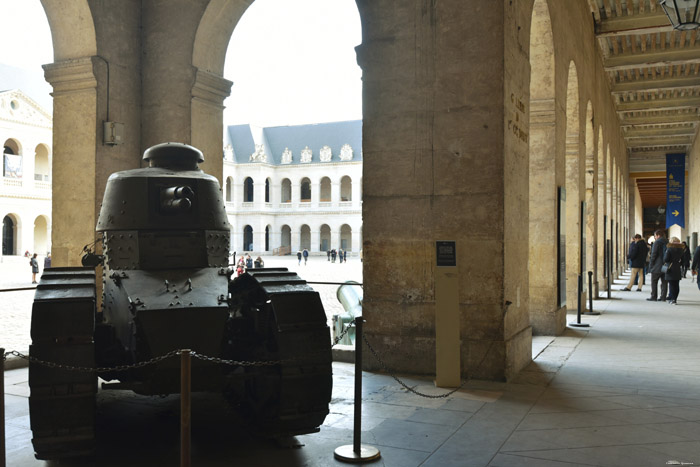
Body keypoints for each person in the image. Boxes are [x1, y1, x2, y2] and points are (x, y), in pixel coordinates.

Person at [647, 230, 668, 302]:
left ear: (658, 235)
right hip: (665, 265)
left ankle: (654, 296)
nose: (655, 237)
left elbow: (654, 254)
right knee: (664, 282)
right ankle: (663, 297)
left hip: (657, 265)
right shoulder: (667, 242)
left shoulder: (657, 242)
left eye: (655, 236)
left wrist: (651, 265)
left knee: (654, 281)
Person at [664, 237, 684, 304]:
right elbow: (683, 260)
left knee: (671, 284)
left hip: (670, 267)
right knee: (676, 284)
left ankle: (672, 299)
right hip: (677, 267)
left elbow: (666, 259)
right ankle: (675, 298)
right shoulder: (681, 249)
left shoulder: (669, 249)